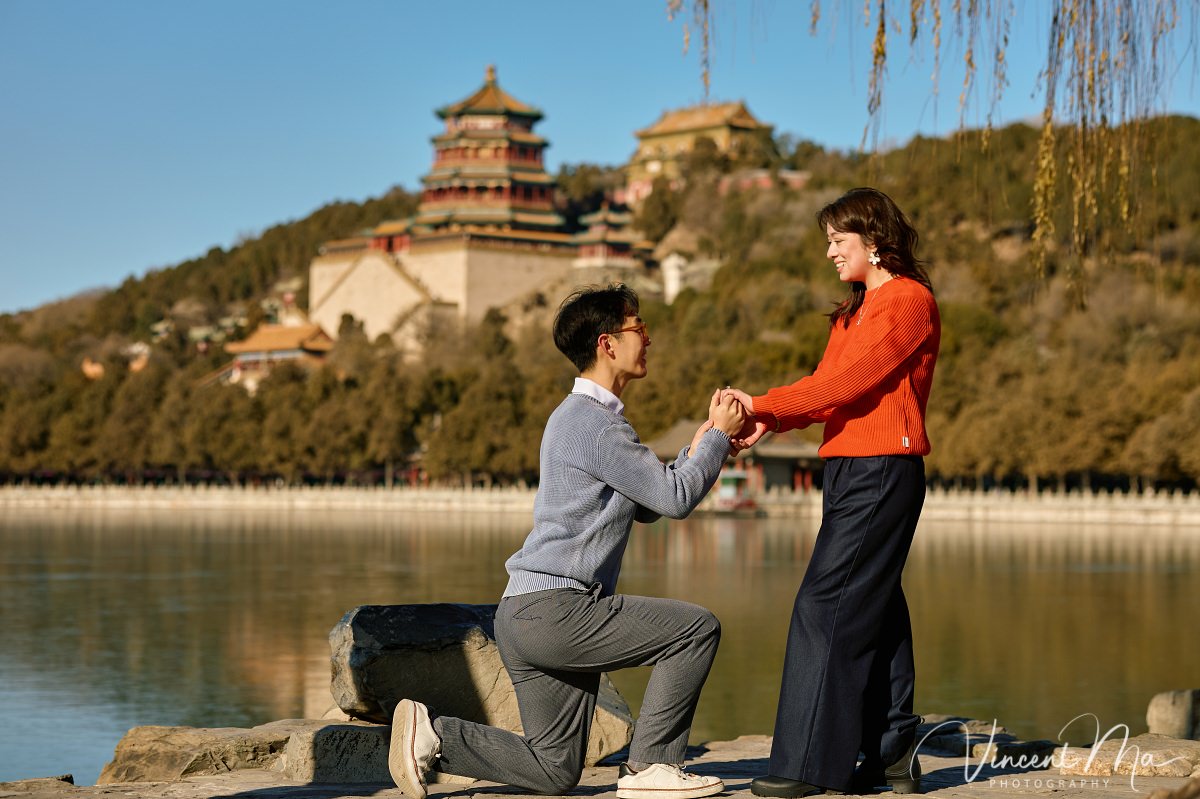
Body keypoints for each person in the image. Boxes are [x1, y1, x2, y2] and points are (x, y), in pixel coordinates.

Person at [389, 284, 746, 799]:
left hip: (524, 615)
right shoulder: (595, 424)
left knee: (553, 769)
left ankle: (435, 736)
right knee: (695, 630)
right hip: (558, 609)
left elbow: (647, 502)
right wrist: (718, 438)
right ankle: (650, 768)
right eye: (638, 328)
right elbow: (674, 499)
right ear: (608, 343)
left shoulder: (583, 420)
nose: (648, 338)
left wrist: (701, 443)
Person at [725, 187, 940, 797]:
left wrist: (760, 402)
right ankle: (893, 752)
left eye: (837, 241)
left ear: (873, 241)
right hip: (849, 468)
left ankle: (807, 766)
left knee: (824, 606)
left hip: (881, 468)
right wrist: (774, 420)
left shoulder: (908, 301)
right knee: (876, 607)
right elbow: (825, 386)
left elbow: (851, 382)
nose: (829, 253)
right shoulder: (852, 314)